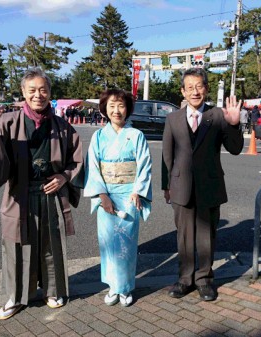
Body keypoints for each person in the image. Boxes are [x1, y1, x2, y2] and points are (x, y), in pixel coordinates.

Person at [0, 67, 84, 320]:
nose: (38, 95)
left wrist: (63, 177)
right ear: (23, 92)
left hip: (51, 195)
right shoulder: (8, 121)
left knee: (50, 245)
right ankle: (15, 297)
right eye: (32, 90)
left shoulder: (63, 127)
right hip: (19, 195)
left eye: (43, 90)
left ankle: (52, 290)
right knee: (16, 246)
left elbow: (76, 161)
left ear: (50, 93)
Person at [162, 68, 244, 302]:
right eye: (190, 87)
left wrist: (234, 124)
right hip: (181, 187)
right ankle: (184, 279)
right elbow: (167, 155)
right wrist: (167, 186)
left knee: (206, 236)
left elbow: (236, 149)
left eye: (199, 86)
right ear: (183, 91)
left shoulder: (218, 116)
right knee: (184, 237)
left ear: (206, 89)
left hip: (209, 185)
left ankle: (205, 280)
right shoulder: (173, 118)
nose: (195, 91)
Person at [84, 88, 152, 307]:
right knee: (108, 242)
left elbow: (144, 165)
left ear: (128, 109)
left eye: (121, 105)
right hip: (106, 194)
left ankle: (125, 288)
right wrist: (102, 194)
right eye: (112, 105)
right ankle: (112, 287)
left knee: (126, 243)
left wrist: (138, 192)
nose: (116, 110)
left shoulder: (136, 135)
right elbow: (93, 166)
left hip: (129, 194)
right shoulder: (98, 136)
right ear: (104, 108)